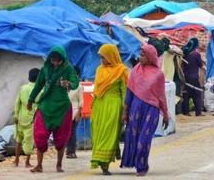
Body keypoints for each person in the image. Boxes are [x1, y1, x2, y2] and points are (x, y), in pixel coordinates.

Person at [27, 46, 79, 174]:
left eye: (58, 61)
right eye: (53, 60)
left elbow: (75, 82)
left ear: (62, 59)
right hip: (45, 106)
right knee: (39, 135)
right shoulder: (45, 68)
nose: (55, 63)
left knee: (61, 139)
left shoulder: (68, 68)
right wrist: (31, 99)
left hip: (62, 108)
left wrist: (69, 84)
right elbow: (38, 85)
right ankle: (39, 165)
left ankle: (59, 164)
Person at [121, 44, 169, 177]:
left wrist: (165, 114)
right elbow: (129, 93)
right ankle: (137, 163)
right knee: (134, 138)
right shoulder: (135, 70)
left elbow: (161, 95)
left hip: (151, 110)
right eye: (140, 55)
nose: (140, 57)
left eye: (143, 55)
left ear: (150, 57)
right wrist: (125, 111)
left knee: (144, 139)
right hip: (135, 109)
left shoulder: (159, 74)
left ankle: (142, 166)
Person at [91, 44, 129, 175]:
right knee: (98, 133)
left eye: (104, 57)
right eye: (100, 57)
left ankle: (104, 163)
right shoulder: (99, 70)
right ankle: (98, 159)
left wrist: (125, 109)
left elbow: (125, 92)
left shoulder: (122, 70)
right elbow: (96, 89)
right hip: (99, 105)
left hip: (114, 105)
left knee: (109, 133)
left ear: (111, 56)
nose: (101, 60)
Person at [14, 68, 39, 168]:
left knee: (19, 139)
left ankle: (16, 160)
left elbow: (17, 103)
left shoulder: (22, 88)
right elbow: (38, 104)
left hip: (20, 118)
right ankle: (27, 162)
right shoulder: (38, 90)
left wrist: (16, 115)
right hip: (31, 118)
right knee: (29, 140)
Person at [180, 40, 204, 116]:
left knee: (186, 95)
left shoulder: (184, 54)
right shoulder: (196, 54)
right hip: (194, 77)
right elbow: (200, 65)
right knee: (197, 94)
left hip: (186, 77)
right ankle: (198, 112)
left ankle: (186, 112)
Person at [65, 69, 84, 159]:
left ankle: (72, 151)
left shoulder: (79, 87)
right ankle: (68, 150)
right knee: (66, 132)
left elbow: (81, 101)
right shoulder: (66, 86)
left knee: (72, 132)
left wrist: (78, 114)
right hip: (65, 112)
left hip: (74, 112)